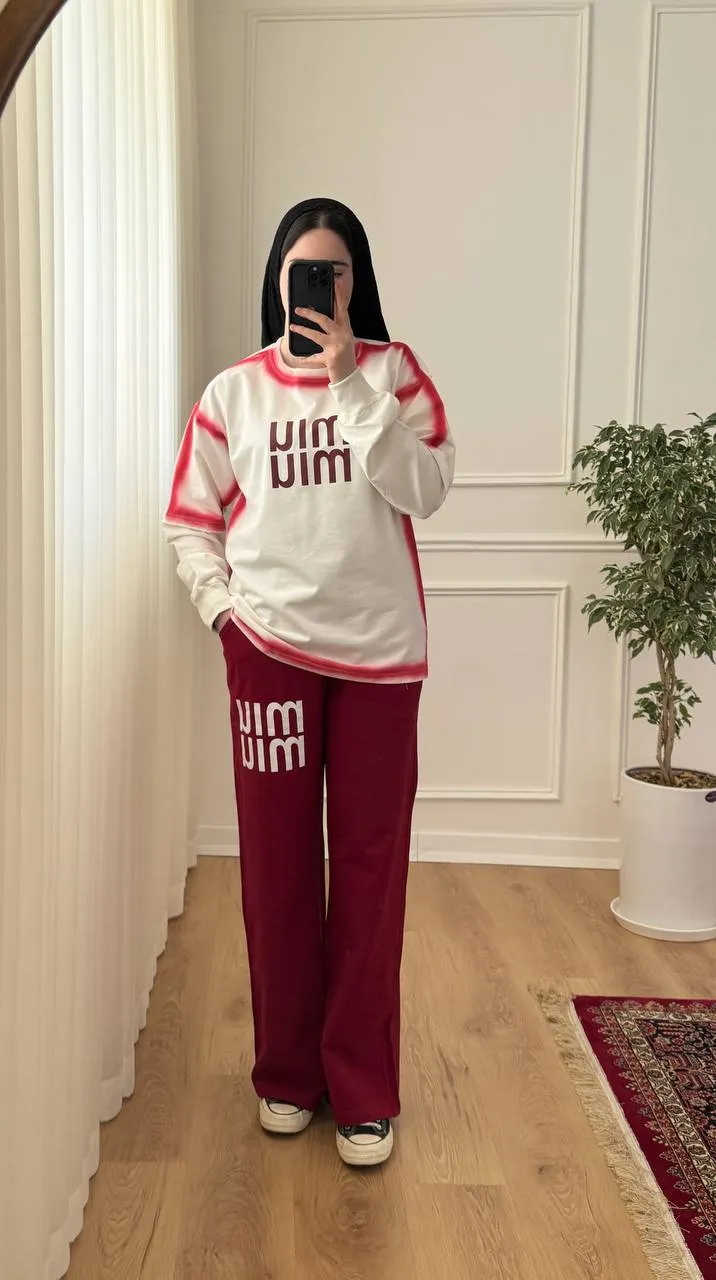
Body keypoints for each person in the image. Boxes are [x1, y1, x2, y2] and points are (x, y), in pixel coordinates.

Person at [163, 197, 455, 1167]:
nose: (318, 290)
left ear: (355, 282)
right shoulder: (233, 393)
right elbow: (190, 520)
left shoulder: (393, 374)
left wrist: (348, 387)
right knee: (277, 868)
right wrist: (224, 616)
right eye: (302, 274)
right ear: (278, 280)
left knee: (371, 873)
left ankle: (362, 1089)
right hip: (270, 656)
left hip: (380, 663)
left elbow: (424, 489)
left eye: (334, 273)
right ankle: (287, 1073)